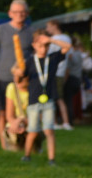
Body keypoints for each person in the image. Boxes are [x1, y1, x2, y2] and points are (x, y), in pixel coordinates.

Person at [0, 0, 33, 151]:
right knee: (2, 113)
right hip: (4, 77)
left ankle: (25, 144)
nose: (19, 15)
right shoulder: (1, 29)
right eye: (16, 12)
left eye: (22, 12)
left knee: (26, 113)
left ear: (26, 13)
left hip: (25, 81)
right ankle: (5, 145)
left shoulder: (31, 31)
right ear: (10, 13)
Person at [22, 29, 69, 165]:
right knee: (32, 131)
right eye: (40, 45)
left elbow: (67, 47)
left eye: (46, 46)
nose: (43, 49)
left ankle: (51, 159)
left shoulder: (52, 58)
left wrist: (51, 40)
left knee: (49, 130)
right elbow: (21, 77)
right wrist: (18, 73)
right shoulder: (30, 61)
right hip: (33, 100)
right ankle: (27, 155)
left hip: (49, 99)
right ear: (34, 45)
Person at [46, 20, 74, 130]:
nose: (47, 29)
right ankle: (56, 122)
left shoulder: (60, 39)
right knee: (54, 98)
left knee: (57, 98)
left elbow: (68, 53)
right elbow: (70, 56)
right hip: (58, 72)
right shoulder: (65, 38)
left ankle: (64, 122)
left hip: (56, 72)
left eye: (48, 26)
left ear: (55, 25)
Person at [4, 65, 30, 151]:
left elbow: (41, 117)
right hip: (16, 123)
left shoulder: (35, 89)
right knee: (11, 129)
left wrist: (23, 121)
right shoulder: (12, 88)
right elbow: (9, 115)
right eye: (14, 76)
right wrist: (16, 123)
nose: (16, 80)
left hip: (31, 123)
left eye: (20, 77)